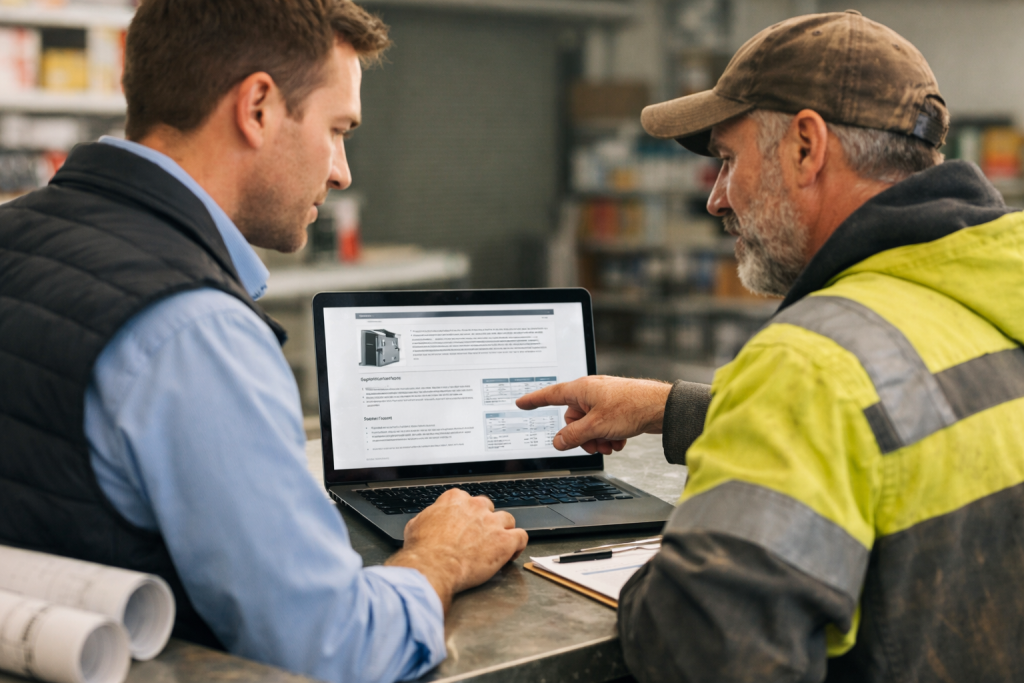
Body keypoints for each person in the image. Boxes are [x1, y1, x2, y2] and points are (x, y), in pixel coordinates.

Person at [0, 2, 527, 682]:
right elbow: (335, 649)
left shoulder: (16, 232)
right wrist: (440, 558)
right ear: (256, 107)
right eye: (337, 130)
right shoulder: (195, 332)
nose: (341, 172)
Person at [518, 10, 1024, 682]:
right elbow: (901, 416)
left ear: (806, 147)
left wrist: (673, 557)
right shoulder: (989, 303)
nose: (716, 199)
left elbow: (703, 648)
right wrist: (669, 407)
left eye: (727, 159)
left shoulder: (807, 364)